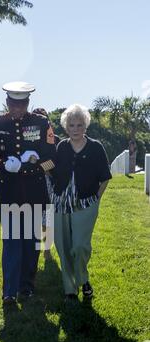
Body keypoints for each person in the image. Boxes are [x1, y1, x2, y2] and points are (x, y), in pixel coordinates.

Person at [0, 81, 56, 305]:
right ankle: (9, 291)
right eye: (14, 104)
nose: (17, 108)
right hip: (9, 192)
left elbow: (52, 160)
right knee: (12, 242)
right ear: (7, 102)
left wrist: (31, 166)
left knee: (30, 243)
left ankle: (27, 287)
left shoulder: (42, 123)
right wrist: (6, 165)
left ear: (27, 103)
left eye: (22, 104)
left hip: (34, 192)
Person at [51, 104, 112, 302]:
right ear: (66, 127)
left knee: (80, 246)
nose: (75, 129)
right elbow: (53, 173)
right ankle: (70, 289)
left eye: (79, 125)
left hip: (86, 205)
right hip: (61, 205)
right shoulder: (61, 147)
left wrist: (96, 200)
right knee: (63, 246)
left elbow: (105, 177)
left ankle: (83, 278)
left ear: (85, 126)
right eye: (71, 125)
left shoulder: (96, 147)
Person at [32, 107, 60, 261]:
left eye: (43, 118)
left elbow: (58, 161)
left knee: (48, 218)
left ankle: (47, 250)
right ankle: (35, 250)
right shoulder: (27, 138)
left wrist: (46, 169)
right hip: (31, 180)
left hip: (49, 180)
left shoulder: (55, 139)